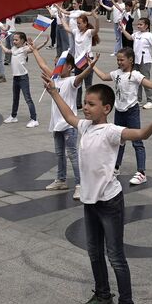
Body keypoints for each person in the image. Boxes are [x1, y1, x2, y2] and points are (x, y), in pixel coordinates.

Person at [50, 79, 152, 304]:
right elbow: (68, 114)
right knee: (94, 252)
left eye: (91, 104)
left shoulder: (112, 131)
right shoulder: (84, 126)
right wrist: (53, 92)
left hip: (109, 201)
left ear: (106, 108)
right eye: (85, 102)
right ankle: (103, 295)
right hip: (90, 201)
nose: (86, 107)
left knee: (115, 256)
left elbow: (141, 134)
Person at [93, 47, 152, 184]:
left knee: (137, 141)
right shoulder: (116, 73)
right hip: (119, 111)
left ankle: (141, 172)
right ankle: (115, 167)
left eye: (122, 60)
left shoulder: (135, 75)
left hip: (131, 111)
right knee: (118, 140)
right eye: (118, 60)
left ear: (131, 60)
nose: (119, 62)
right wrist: (92, 66)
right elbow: (104, 76)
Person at [33, 47, 97, 198]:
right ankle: (61, 180)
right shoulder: (55, 79)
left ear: (69, 67)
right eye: (56, 65)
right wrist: (34, 50)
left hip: (69, 124)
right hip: (56, 123)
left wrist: (91, 66)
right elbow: (42, 65)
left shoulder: (71, 81)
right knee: (59, 154)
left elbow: (81, 76)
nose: (57, 68)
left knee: (73, 154)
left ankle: (80, 184)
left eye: (60, 65)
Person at [0, 30, 39, 126]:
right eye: (13, 40)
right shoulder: (13, 48)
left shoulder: (25, 48)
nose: (14, 41)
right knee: (15, 98)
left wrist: (43, 43)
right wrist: (1, 44)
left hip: (23, 78)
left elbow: (34, 49)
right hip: (15, 78)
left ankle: (34, 119)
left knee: (28, 99)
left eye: (16, 40)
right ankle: (13, 116)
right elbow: (7, 51)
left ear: (22, 40)